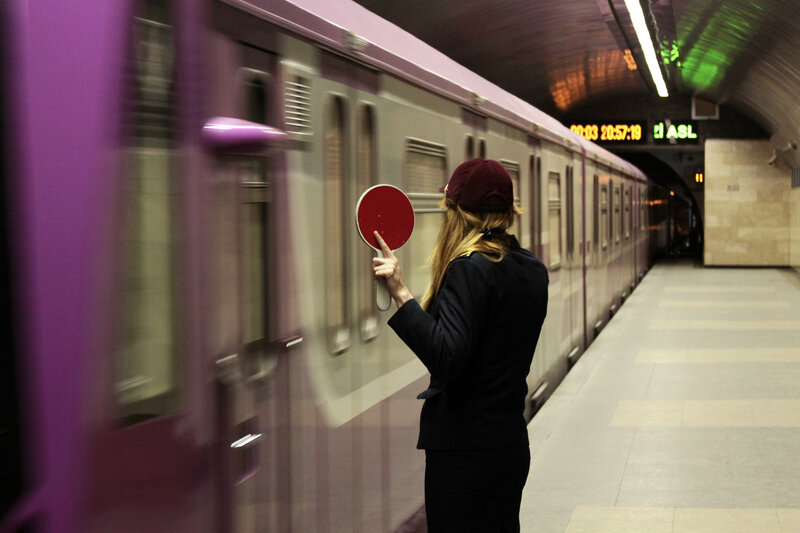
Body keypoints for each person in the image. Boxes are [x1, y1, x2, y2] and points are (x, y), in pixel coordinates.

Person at [372, 158, 549, 532]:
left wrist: (402, 293)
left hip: (465, 454)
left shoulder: (469, 268)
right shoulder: (533, 270)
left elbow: (448, 357)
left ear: (458, 213)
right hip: (509, 444)